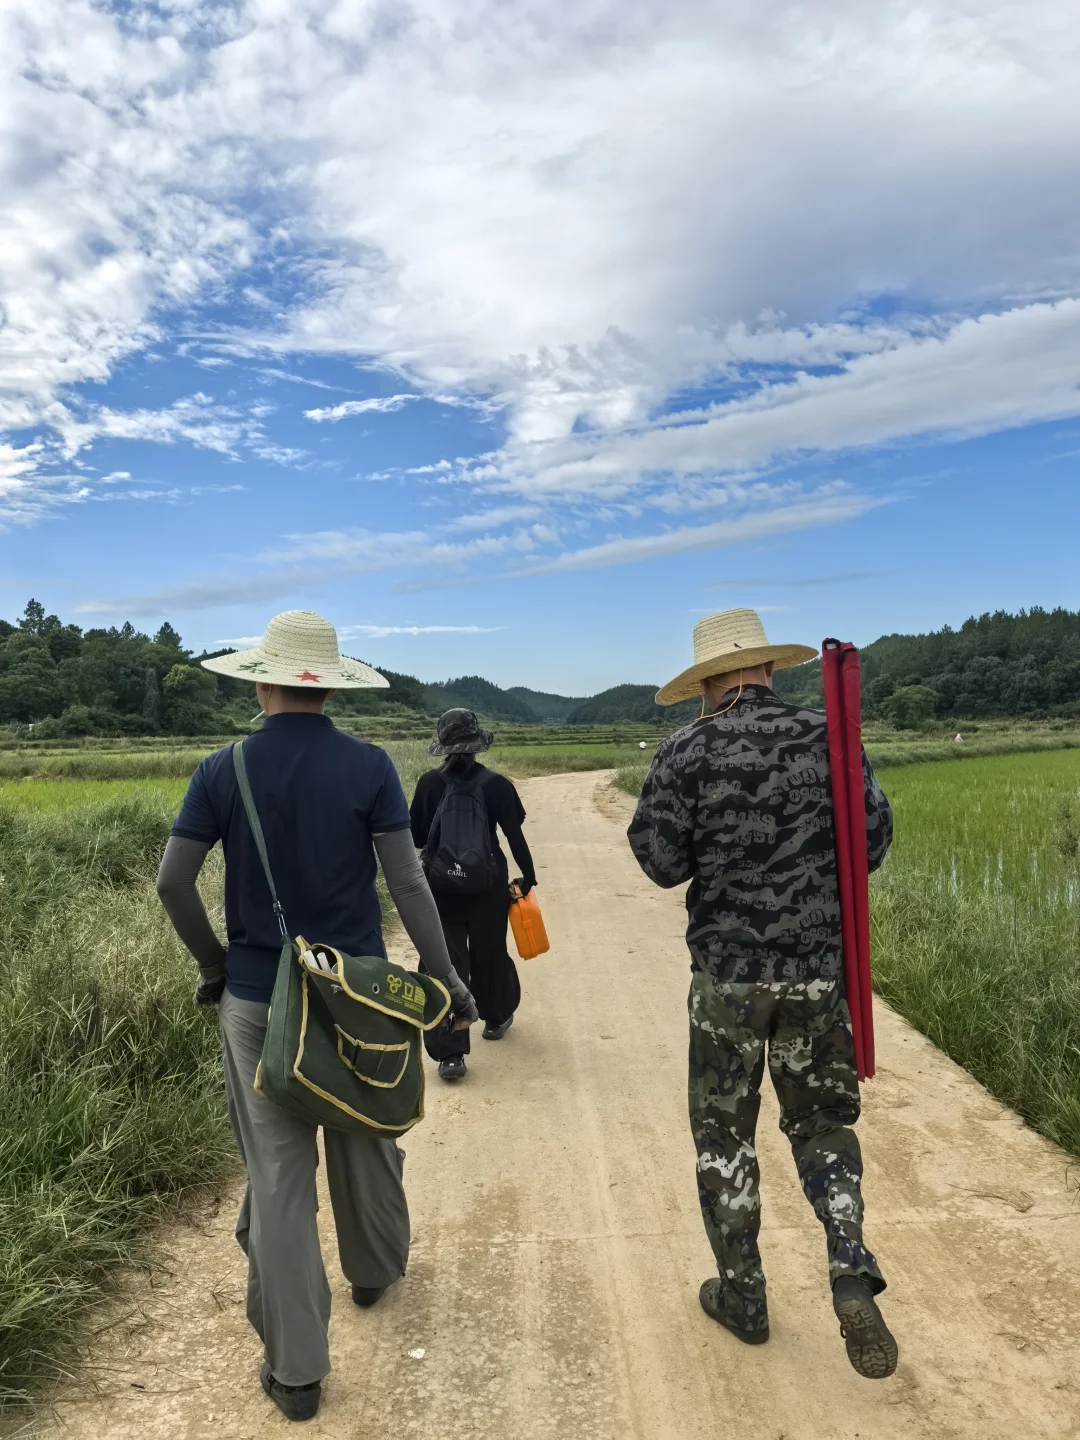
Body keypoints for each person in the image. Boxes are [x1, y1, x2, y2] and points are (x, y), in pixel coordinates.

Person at [155, 610, 478, 1424]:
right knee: (365, 1132)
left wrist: (216, 967)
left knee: (278, 1176)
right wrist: (444, 978)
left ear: (260, 682)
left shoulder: (220, 769)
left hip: (258, 997)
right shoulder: (369, 766)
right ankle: (371, 1272)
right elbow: (408, 883)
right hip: (358, 994)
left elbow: (172, 883)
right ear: (331, 688)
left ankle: (297, 1373)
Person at [627, 608, 897, 1380]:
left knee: (726, 1138)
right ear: (770, 668)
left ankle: (744, 1296)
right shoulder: (830, 737)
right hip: (817, 974)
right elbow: (873, 841)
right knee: (821, 1125)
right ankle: (849, 1264)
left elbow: (660, 863)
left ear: (706, 682)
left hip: (727, 981)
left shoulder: (686, 750)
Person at [410, 708, 537, 1082]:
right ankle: (495, 1019)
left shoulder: (429, 784)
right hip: (488, 886)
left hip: (440, 888)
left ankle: (451, 1056)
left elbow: (416, 837)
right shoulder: (497, 785)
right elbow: (514, 836)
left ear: (443, 744)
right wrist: (528, 877)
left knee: (444, 964)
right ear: (477, 743)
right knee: (489, 954)